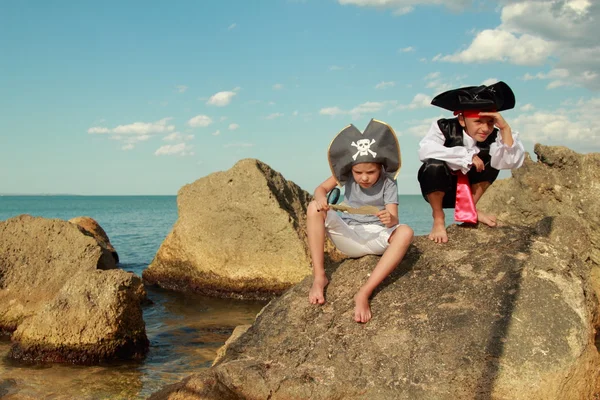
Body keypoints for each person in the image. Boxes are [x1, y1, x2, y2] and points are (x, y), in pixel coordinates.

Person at [307, 119, 414, 323]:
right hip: (350, 235)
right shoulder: (346, 175)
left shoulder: (389, 181)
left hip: (377, 236)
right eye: (359, 173)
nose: (364, 178)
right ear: (351, 169)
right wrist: (321, 198)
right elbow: (320, 189)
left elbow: (393, 219)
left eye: (371, 172)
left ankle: (364, 292)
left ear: (381, 168)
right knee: (313, 207)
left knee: (406, 232)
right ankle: (319, 276)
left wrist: (389, 218)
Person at [418, 81, 525, 244]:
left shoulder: (494, 136)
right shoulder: (443, 127)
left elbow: (510, 162)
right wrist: (466, 155)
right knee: (433, 165)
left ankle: (470, 209)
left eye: (490, 122)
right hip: (441, 189)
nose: (485, 128)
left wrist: (505, 129)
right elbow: (425, 150)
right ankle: (438, 217)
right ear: (462, 119)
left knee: (494, 159)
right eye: (478, 122)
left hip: (470, 191)